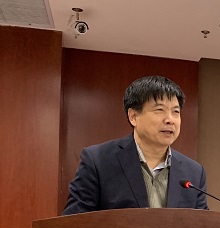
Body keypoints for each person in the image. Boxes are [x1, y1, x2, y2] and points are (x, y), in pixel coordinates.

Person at [62, 75, 207, 215]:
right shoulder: (98, 161)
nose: (170, 120)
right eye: (159, 110)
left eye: (176, 112)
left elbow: (203, 226)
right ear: (133, 116)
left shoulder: (194, 172)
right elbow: (74, 223)